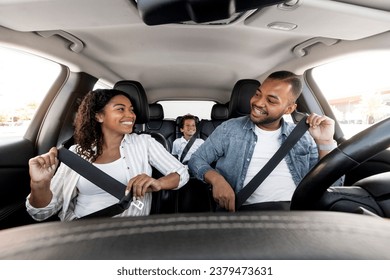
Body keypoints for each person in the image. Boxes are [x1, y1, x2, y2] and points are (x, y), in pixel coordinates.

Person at [188, 71, 342, 212]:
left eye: (271, 100)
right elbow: (196, 159)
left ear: (289, 109)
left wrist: (325, 141)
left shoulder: (303, 136)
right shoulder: (230, 129)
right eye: (257, 94)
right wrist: (217, 180)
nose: (258, 103)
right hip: (244, 213)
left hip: (297, 213)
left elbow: (332, 187)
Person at [26, 89, 189, 221]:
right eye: (120, 109)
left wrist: (158, 183)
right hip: (80, 230)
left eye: (131, 109)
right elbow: (41, 214)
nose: (131, 115)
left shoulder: (144, 143)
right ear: (99, 116)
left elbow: (182, 173)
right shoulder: (76, 153)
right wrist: (39, 185)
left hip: (126, 234)